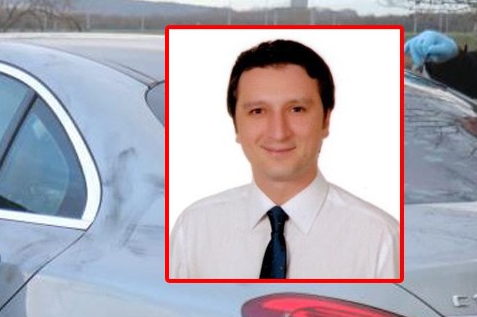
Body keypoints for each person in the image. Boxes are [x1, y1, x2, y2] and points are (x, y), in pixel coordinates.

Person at [170, 39, 399, 280]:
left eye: (296, 109)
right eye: (258, 111)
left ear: (325, 120)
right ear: (236, 126)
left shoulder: (380, 239)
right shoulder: (193, 229)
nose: (278, 132)